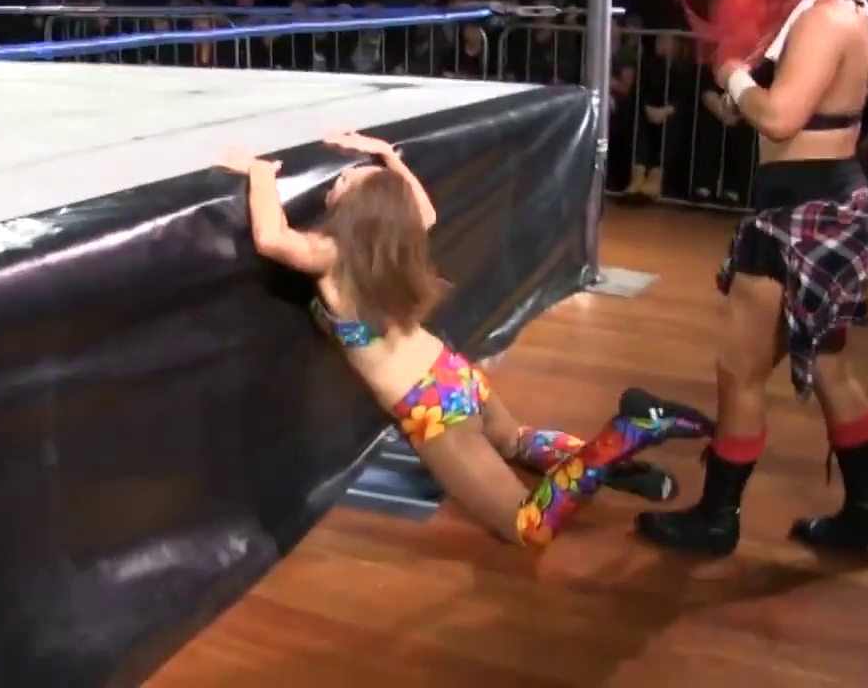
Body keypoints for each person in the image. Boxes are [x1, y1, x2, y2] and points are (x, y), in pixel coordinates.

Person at [215, 132, 715, 546]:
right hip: (452, 372)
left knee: (526, 527)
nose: (338, 180)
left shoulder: (330, 253)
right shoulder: (396, 239)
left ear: (359, 209)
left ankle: (628, 432)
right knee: (516, 441)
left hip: (428, 408)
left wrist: (260, 172)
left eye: (347, 180)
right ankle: (619, 467)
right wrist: (387, 156)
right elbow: (425, 212)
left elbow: (271, 238)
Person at [636, 0, 868, 555]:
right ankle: (867, 507)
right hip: (813, 204)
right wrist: (742, 93)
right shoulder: (827, 3)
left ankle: (716, 519)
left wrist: (731, 75)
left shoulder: (827, 14)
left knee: (740, 370)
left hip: (804, 216)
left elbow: (779, 118)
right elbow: (783, 112)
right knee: (829, 368)